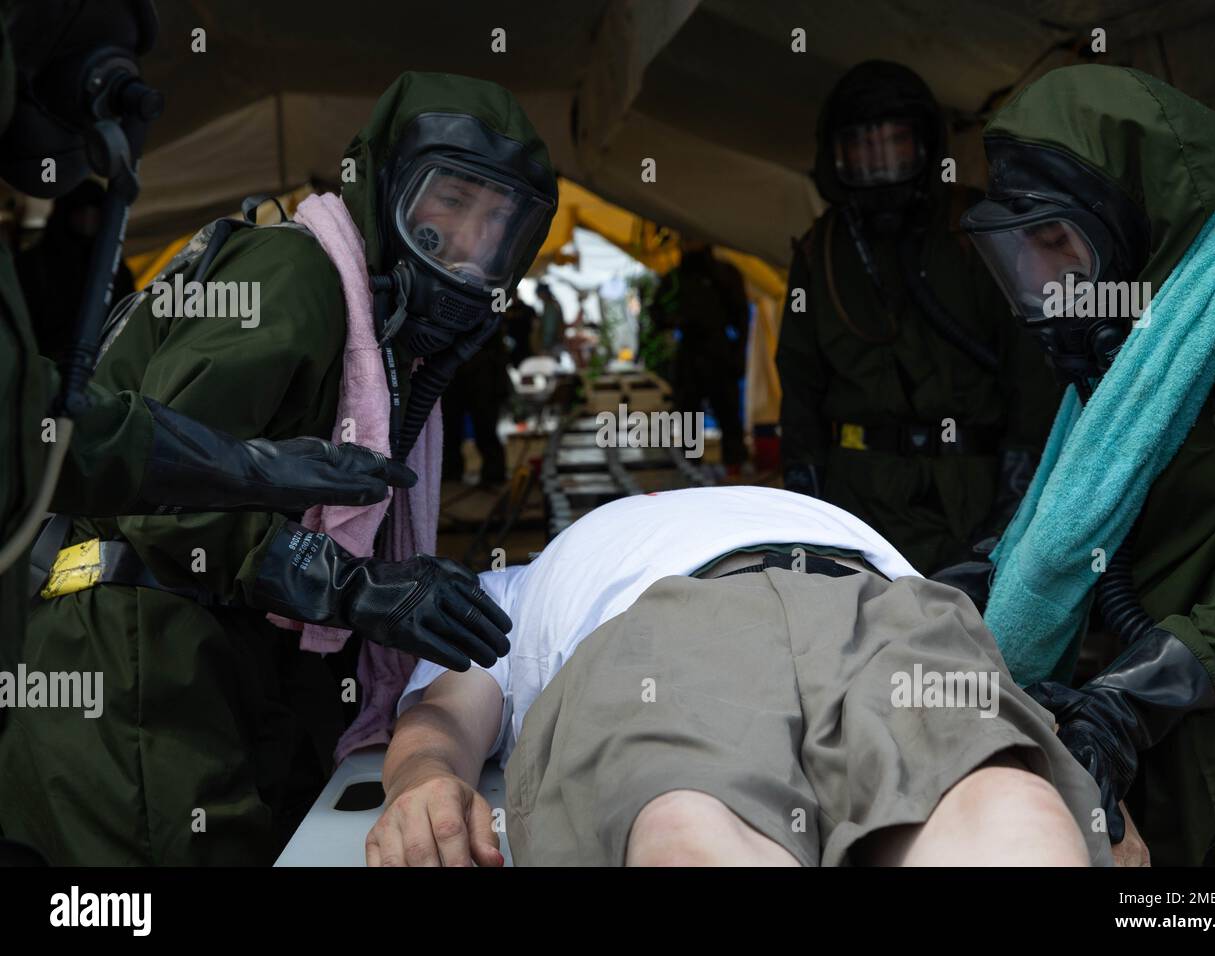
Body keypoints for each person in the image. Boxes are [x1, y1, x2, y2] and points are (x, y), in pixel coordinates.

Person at [0, 68, 558, 864]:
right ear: (384, 186)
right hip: (133, 657)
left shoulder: (382, 337)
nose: (468, 247)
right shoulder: (295, 276)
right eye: (450, 202)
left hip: (200, 656)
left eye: (499, 225)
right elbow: (164, 491)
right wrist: (351, 585)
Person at [368, 485, 1116, 867]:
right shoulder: (505, 595)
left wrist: (422, 778)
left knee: (1009, 805)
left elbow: (442, 723)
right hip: (699, 621)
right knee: (690, 828)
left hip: (873, 598)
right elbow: (442, 718)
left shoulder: (534, 574)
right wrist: (421, 783)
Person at [961, 64, 1215, 866]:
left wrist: (1152, 687)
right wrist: (988, 572)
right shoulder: (1144, 331)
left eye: (1055, 243)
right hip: (1177, 753)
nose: (1044, 284)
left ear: (1131, 215)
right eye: (1020, 252)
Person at [776, 61, 1062, 576]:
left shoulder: (977, 232)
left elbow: (1032, 371)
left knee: (972, 646)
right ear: (835, 159)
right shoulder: (821, 253)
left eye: (895, 145)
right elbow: (799, 384)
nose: (879, 164)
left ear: (926, 147)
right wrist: (805, 497)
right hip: (859, 498)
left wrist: (1018, 496)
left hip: (971, 494)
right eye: (862, 148)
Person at [652, 238, 749, 470]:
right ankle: (691, 471)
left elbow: (742, 319)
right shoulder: (675, 278)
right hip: (689, 354)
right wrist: (675, 321)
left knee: (728, 415)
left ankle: (733, 471)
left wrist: (737, 354)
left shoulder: (725, 274)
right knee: (688, 418)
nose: (686, 243)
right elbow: (656, 313)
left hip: (719, 354)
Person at [17, 181, 137, 364]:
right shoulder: (33, 263)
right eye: (81, 212)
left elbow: (125, 316)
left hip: (98, 365)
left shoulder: (112, 266)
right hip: (40, 364)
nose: (88, 220)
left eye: (94, 213)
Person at [442, 318, 510, 486]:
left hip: (483, 372)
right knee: (450, 428)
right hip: (452, 370)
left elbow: (498, 313)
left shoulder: (497, 297)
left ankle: (493, 474)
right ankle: (451, 472)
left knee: (486, 427)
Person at [534, 282, 562, 352]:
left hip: (552, 344)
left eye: (539, 294)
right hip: (551, 343)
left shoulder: (552, 306)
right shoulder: (548, 305)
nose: (538, 296)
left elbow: (551, 328)